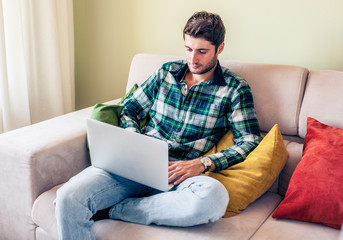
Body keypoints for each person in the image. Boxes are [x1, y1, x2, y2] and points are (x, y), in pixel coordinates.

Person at [55, 11, 262, 239]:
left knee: (214, 198)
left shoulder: (235, 89)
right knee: (67, 197)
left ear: (220, 48)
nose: (193, 59)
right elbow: (131, 108)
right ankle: (123, 202)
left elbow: (250, 140)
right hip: (136, 163)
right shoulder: (166, 73)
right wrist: (135, 139)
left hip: (180, 175)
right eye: (188, 49)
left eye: (202, 51)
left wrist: (203, 163)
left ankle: (115, 210)